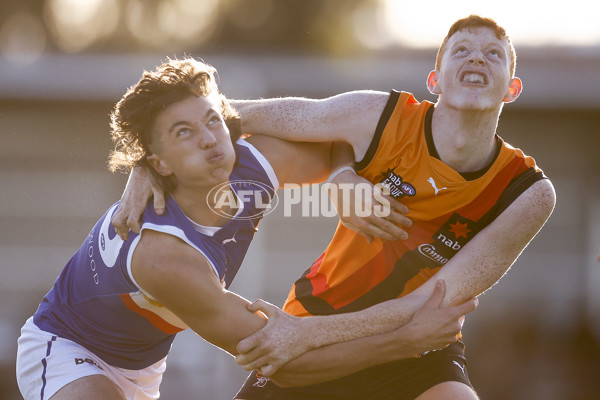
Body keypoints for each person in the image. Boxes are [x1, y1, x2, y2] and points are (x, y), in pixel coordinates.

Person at [16, 58, 476, 400]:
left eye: (212, 120)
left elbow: (348, 139)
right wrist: (405, 340)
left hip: (142, 361)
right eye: (183, 133)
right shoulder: (165, 256)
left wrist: (341, 179)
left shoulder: (253, 163)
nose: (209, 139)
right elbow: (284, 363)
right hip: (68, 348)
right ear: (156, 162)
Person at [224, 15, 556, 400]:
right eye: (462, 51)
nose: (477, 59)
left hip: (415, 347)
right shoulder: (381, 115)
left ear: (511, 89)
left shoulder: (527, 192)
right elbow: (229, 114)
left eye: (493, 54)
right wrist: (144, 169)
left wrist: (305, 335)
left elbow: (427, 304)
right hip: (319, 318)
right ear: (435, 81)